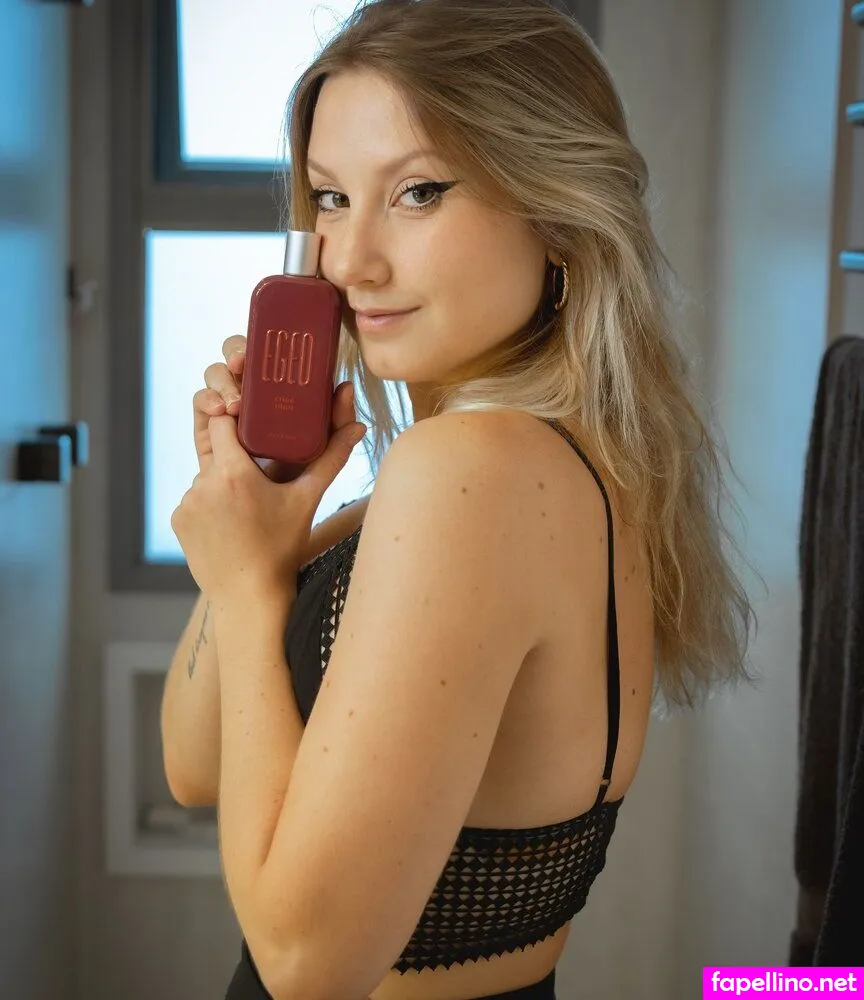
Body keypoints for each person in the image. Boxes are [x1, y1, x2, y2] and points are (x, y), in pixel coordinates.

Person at [160, 1, 755, 998]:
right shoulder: (550, 469)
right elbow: (197, 767)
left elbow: (304, 967)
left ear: (556, 211)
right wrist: (264, 506)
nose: (351, 261)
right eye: (331, 198)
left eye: (419, 192)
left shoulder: (472, 476)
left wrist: (251, 590)